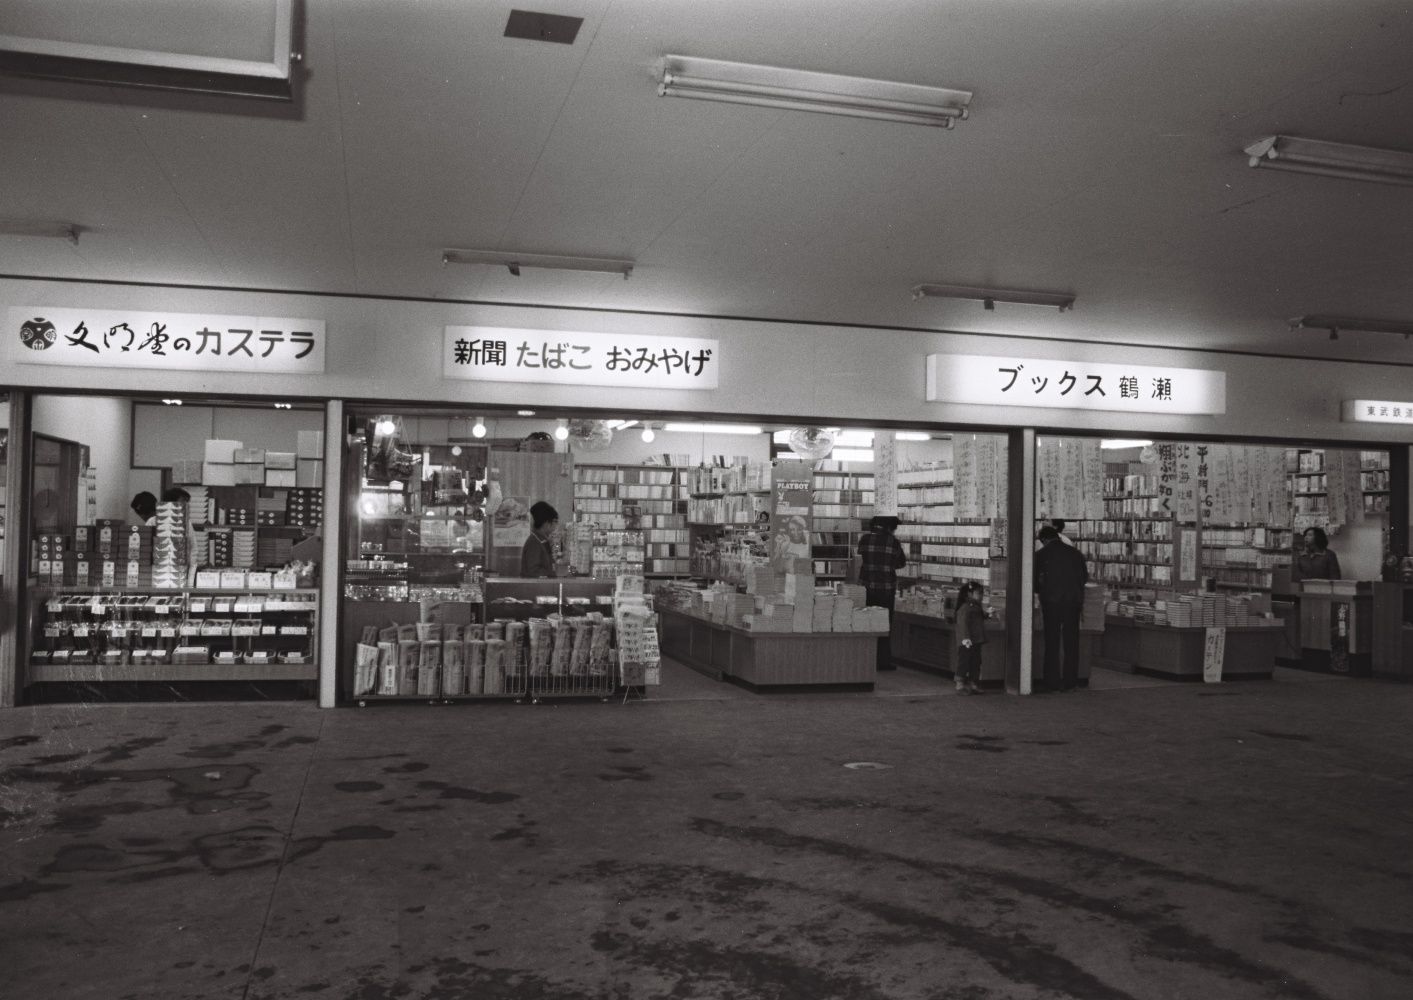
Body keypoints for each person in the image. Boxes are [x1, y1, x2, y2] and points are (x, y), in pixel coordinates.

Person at [1035, 524, 1089, 692]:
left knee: (1052, 641)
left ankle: (1052, 681)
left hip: (1051, 603)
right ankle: (1070, 681)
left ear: (1043, 539)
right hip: (1073, 602)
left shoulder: (1040, 555)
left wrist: (1042, 590)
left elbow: (1035, 582)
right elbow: (1084, 577)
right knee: (1071, 642)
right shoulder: (1076, 554)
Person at [851, 515, 906, 670]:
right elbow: (901, 563)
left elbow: (859, 559)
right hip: (886, 589)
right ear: (889, 528)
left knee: (866, 622)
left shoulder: (865, 539)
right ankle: (882, 661)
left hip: (866, 587)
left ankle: (865, 658)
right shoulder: (893, 542)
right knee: (884, 624)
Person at [954, 582, 986, 695]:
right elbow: (963, 624)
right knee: (964, 661)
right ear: (969, 594)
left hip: (976, 640)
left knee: (976, 662)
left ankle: (973, 683)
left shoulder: (976, 606)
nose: (982, 596)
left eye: (982, 593)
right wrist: (965, 638)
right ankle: (960, 684)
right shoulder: (966, 607)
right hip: (967, 641)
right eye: (979, 593)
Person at [520, 501, 559, 577]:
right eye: (555, 522)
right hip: (534, 588)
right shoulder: (534, 543)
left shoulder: (542, 540)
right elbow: (534, 572)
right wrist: (550, 574)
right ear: (546, 523)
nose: (556, 526)